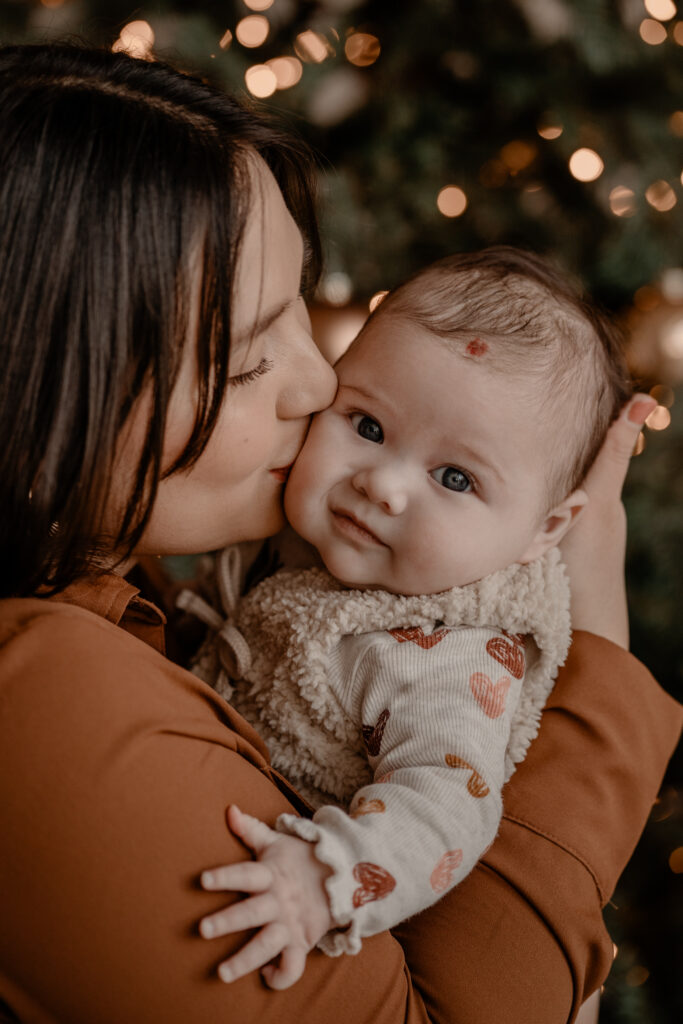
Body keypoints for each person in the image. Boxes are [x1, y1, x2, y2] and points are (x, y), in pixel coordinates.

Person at [0, 42, 680, 1024]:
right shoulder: (42, 700)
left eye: (301, 322)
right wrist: (599, 668)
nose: (318, 388)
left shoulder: (135, 584)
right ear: (46, 393)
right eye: (244, 361)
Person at [186, 248, 630, 986]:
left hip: (321, 908)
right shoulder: (291, 536)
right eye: (365, 425)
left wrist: (327, 879)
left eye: (454, 477)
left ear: (543, 531)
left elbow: (447, 807)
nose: (383, 485)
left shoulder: (447, 655)